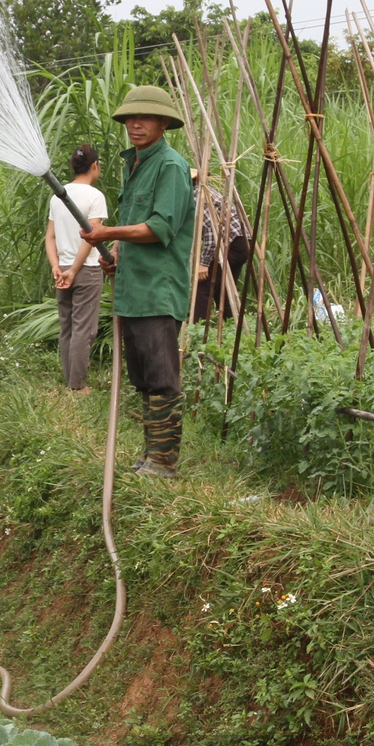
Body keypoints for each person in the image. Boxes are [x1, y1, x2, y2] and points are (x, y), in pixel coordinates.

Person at [81, 85, 195, 478]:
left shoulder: (170, 166)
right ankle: (150, 456)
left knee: (162, 378)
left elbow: (161, 227)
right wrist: (116, 258)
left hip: (157, 291)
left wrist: (109, 233)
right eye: (130, 117)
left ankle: (164, 462)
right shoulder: (136, 164)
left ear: (164, 123)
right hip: (133, 289)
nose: (136, 124)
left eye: (145, 117)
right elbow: (137, 230)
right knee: (144, 379)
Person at [45, 144, 108, 390]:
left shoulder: (58, 195)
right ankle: (77, 386)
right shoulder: (94, 196)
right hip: (87, 269)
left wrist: (57, 267)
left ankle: (70, 380)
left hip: (63, 269)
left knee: (67, 326)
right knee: (84, 329)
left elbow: (49, 237)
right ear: (95, 166)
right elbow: (91, 236)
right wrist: (75, 270)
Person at [192, 176, 250, 322]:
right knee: (224, 290)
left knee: (203, 287)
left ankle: (197, 328)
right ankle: (233, 326)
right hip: (242, 242)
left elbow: (212, 231)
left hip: (231, 244)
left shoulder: (197, 195)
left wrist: (204, 263)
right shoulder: (205, 191)